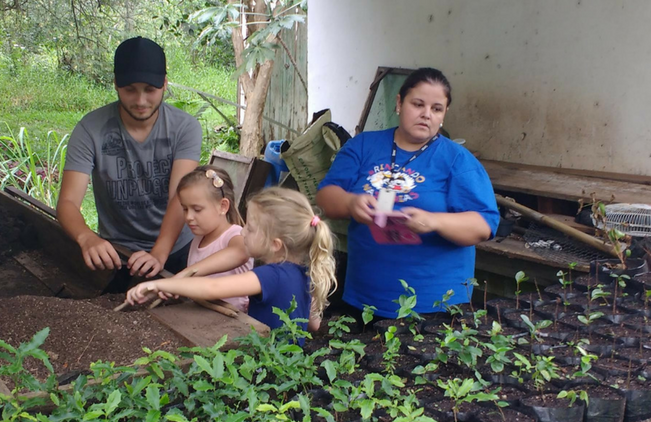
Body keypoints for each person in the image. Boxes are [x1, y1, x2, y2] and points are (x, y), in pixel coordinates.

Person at [316, 67, 499, 318]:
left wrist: (434, 221)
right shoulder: (363, 146)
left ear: (444, 114)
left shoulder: (457, 160)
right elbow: (326, 197)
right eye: (418, 104)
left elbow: (484, 224)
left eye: (436, 109)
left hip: (435, 303)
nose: (426, 115)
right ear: (399, 103)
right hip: (366, 297)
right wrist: (350, 203)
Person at [57, 37, 202, 291]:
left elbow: (179, 199)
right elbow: (68, 202)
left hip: (178, 249)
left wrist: (159, 253)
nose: (141, 100)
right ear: (115, 84)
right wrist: (86, 238)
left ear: (165, 84)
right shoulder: (90, 129)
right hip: (117, 253)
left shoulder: (185, 128)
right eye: (130, 89)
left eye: (150, 89)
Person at [126, 187, 337, 335]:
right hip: (289, 368)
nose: (243, 231)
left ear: (275, 244)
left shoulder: (271, 276)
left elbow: (213, 287)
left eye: (251, 229)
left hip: (263, 367)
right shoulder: (303, 271)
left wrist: (159, 283)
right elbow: (314, 325)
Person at [169, 165, 253, 311]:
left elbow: (241, 252)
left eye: (197, 209)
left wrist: (184, 275)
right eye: (185, 209)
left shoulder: (235, 235)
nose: (188, 217)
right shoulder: (198, 238)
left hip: (233, 323)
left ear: (223, 206)